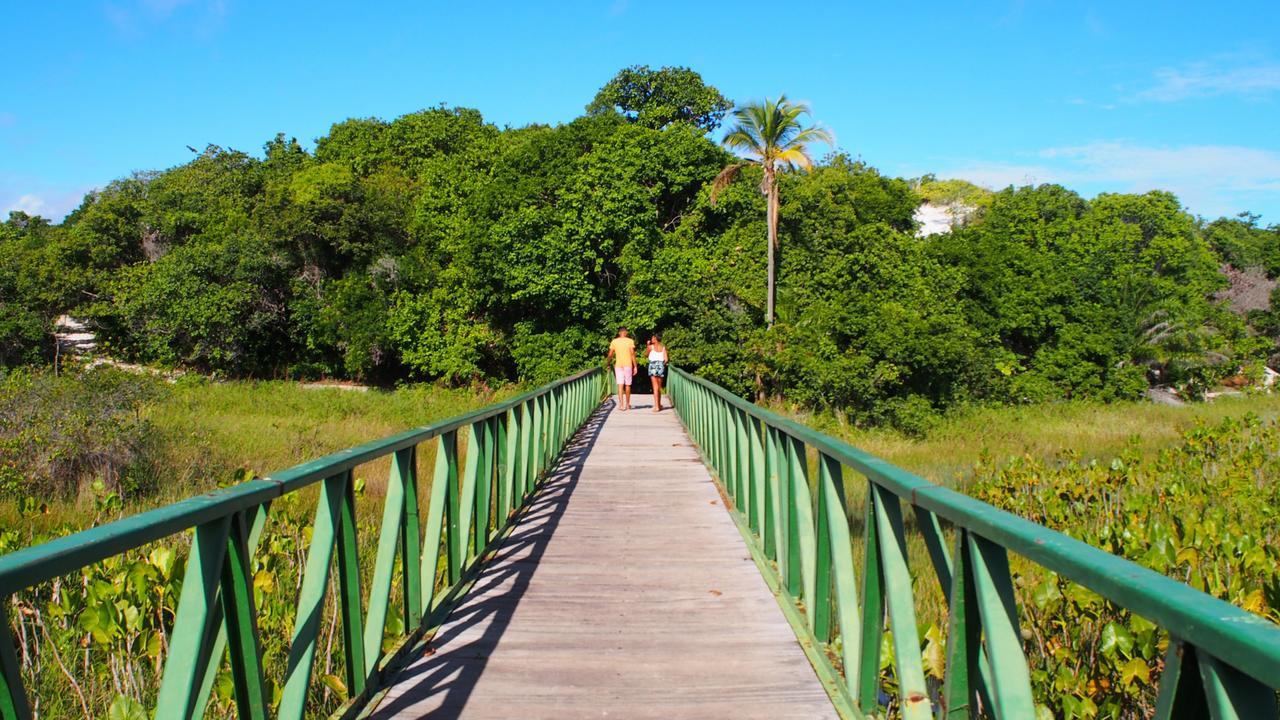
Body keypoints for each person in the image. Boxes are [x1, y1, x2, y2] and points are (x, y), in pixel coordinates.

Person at [605, 327, 637, 411]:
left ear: (619, 333)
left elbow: (610, 354)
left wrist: (608, 363)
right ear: (626, 332)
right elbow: (632, 354)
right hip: (628, 365)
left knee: (620, 385)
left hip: (618, 365)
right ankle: (627, 404)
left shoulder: (614, 341)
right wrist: (635, 366)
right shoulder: (630, 341)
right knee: (628, 384)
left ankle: (621, 405)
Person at [646, 334, 669, 412]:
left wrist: (647, 345)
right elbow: (666, 359)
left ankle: (657, 407)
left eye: (652, 338)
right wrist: (663, 364)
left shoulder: (650, 347)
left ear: (655, 339)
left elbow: (646, 355)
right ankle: (659, 404)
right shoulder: (663, 348)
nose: (651, 339)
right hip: (660, 365)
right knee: (659, 387)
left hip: (653, 365)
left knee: (655, 387)